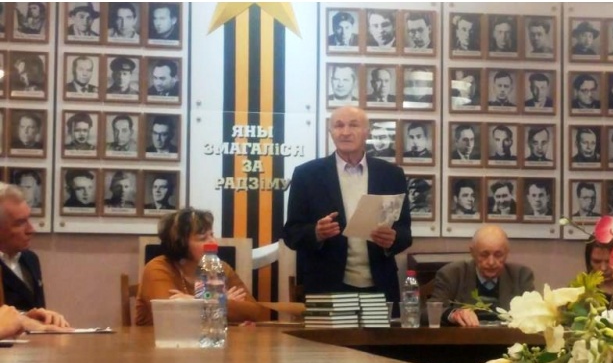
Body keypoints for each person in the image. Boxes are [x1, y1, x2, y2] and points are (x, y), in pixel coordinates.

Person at [282, 106, 412, 303]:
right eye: (338, 125)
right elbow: (291, 234)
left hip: (379, 285)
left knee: (381, 326)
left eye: (353, 125)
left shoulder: (391, 175)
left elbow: (405, 233)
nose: (345, 132)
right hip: (325, 285)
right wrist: (316, 233)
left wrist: (392, 239)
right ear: (330, 132)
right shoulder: (306, 175)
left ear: (366, 132)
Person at [136, 208, 271, 326]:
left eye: (212, 235)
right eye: (202, 238)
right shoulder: (157, 268)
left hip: (208, 342)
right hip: (155, 344)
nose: (214, 242)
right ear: (180, 244)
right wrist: (222, 303)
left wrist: (194, 302)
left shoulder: (221, 267)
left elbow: (255, 312)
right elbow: (173, 316)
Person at [429, 225, 534, 327]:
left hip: (508, 337)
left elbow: (535, 314)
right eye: (484, 255)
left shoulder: (521, 275)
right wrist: (453, 314)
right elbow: (428, 312)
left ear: (507, 253)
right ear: (472, 252)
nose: (491, 262)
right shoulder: (452, 274)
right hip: (466, 337)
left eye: (498, 255)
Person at [0, 183, 70, 327]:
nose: (31, 229)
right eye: (20, 223)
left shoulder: (30, 259)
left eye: (28, 219)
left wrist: (46, 318)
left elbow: (37, 312)